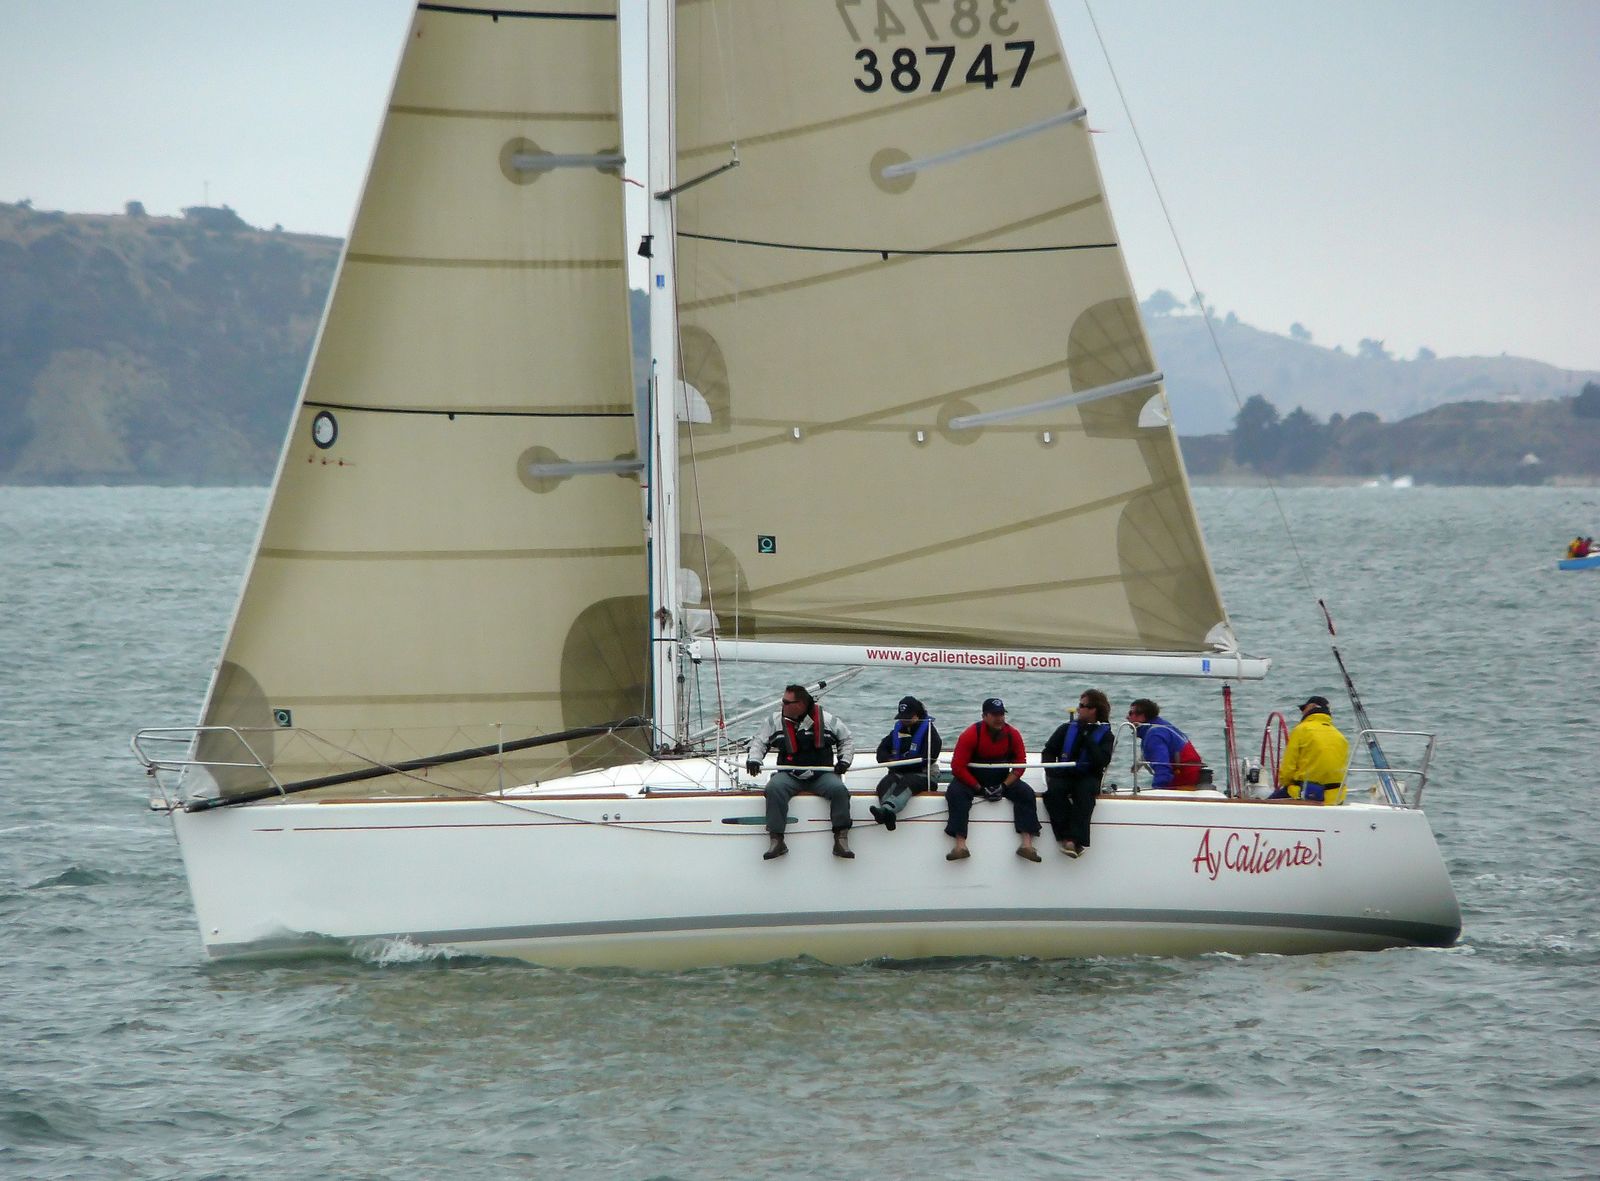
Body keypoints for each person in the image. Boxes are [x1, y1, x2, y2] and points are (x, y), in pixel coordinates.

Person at [747, 684, 856, 860]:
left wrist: (844, 761)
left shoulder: (828, 720)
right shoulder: (774, 721)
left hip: (821, 775)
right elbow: (759, 741)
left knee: (839, 790)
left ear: (800, 705)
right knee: (774, 788)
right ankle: (776, 839)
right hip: (790, 775)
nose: (782, 705)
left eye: (786, 702)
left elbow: (846, 739)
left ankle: (841, 838)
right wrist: (754, 759)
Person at [945, 697, 1041, 862]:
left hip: (1001, 778)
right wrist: (979, 788)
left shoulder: (1013, 734)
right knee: (955, 793)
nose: (999, 718)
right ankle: (960, 845)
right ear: (984, 716)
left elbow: (1020, 765)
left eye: (1002, 714)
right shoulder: (970, 734)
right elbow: (958, 767)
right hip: (972, 779)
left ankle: (1027, 845)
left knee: (1026, 793)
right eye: (995, 714)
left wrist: (1004, 786)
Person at [1041, 690, 1115, 858]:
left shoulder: (1106, 735)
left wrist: (1087, 737)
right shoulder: (1066, 729)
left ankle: (1074, 839)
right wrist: (1052, 771)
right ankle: (1067, 836)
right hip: (1065, 773)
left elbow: (1102, 760)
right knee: (1053, 793)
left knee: (1084, 794)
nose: (1078, 709)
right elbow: (1049, 751)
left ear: (1093, 710)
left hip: (1089, 775)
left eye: (1082, 706)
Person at [869, 695, 941, 832]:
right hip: (899, 772)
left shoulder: (930, 733)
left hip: (924, 775)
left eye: (908, 717)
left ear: (917, 715)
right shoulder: (897, 731)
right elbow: (881, 751)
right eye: (902, 717)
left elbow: (928, 758)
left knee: (908, 782)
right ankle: (887, 813)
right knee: (885, 783)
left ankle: (887, 810)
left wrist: (898, 763)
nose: (904, 720)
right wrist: (888, 760)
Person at [1271, 694, 1350, 805]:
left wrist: (1285, 783)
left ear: (1311, 708)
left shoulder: (1300, 730)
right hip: (1335, 797)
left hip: (1305, 793)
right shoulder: (1340, 736)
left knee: (1264, 805)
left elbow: (1287, 770)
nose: (1302, 712)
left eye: (1303, 709)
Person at [1125, 698, 1206, 789]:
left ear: (1142, 716)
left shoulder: (1154, 735)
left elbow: (1162, 769)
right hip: (1194, 775)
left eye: (1131, 713)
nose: (1127, 717)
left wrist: (1157, 790)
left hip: (1184, 780)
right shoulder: (1161, 726)